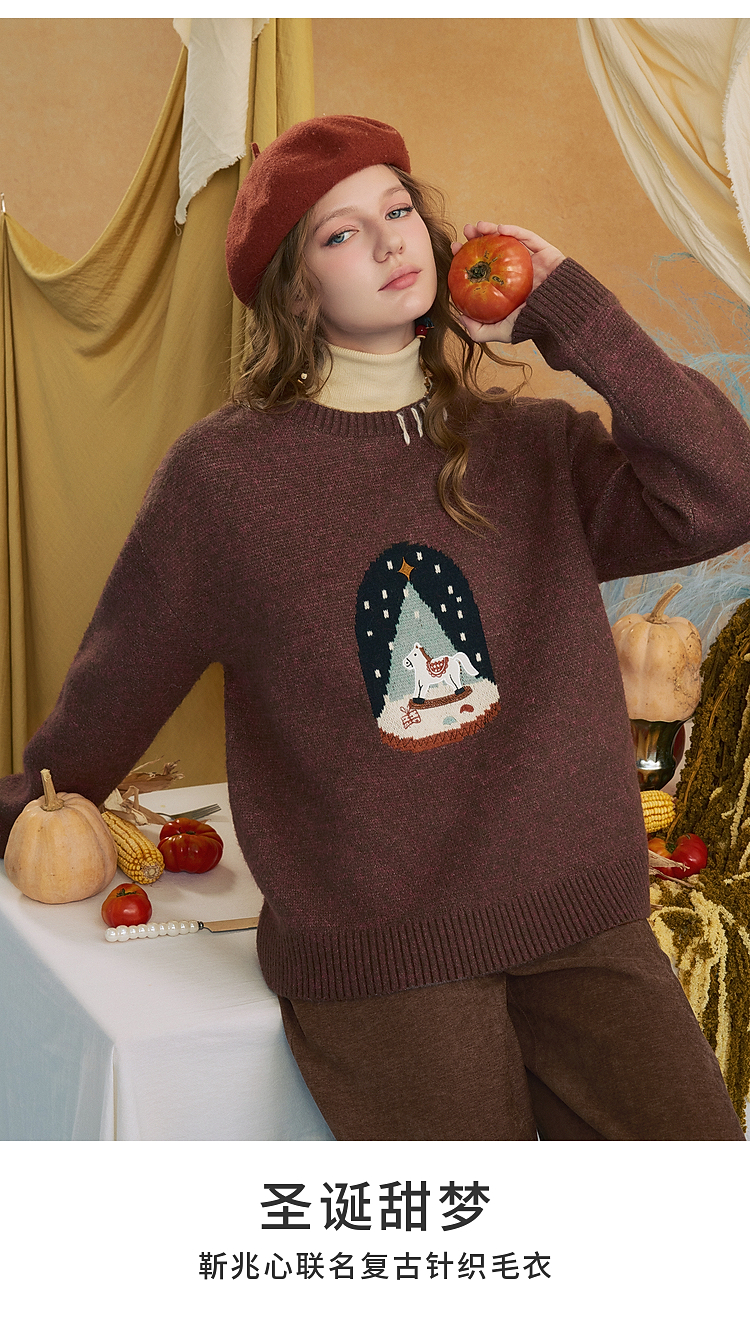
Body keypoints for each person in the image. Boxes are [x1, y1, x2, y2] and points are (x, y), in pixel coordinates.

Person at [1, 114, 748, 1140]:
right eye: (343, 232)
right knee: (468, 1229)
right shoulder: (225, 480)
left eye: (398, 209)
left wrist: (574, 315)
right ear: (297, 290)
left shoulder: (532, 447)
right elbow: (119, 675)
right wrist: (35, 801)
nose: (392, 238)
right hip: (385, 955)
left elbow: (727, 489)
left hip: (585, 917)